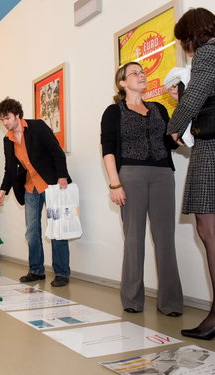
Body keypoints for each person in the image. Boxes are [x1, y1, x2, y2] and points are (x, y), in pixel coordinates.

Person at [100, 61, 183, 316]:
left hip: (162, 175)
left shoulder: (158, 108)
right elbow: (108, 150)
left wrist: (181, 103)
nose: (141, 75)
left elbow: (174, 142)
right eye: (134, 73)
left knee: (165, 239)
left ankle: (170, 302)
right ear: (123, 83)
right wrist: (115, 183)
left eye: (143, 72)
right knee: (134, 238)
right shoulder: (114, 111)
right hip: (131, 175)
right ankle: (132, 299)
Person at [166, 8, 215, 339]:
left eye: (184, 40)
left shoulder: (209, 51)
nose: (185, 47)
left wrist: (172, 126)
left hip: (211, 148)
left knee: (208, 227)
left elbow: (196, 99)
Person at [0, 97, 71, 287]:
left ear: (17, 115)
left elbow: (56, 152)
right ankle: (36, 270)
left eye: (8, 118)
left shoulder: (37, 127)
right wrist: (3, 190)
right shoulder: (8, 140)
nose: (5, 123)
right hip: (30, 188)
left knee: (56, 229)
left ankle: (61, 272)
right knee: (32, 231)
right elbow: (9, 168)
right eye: (2, 120)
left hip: (51, 185)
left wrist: (62, 176)